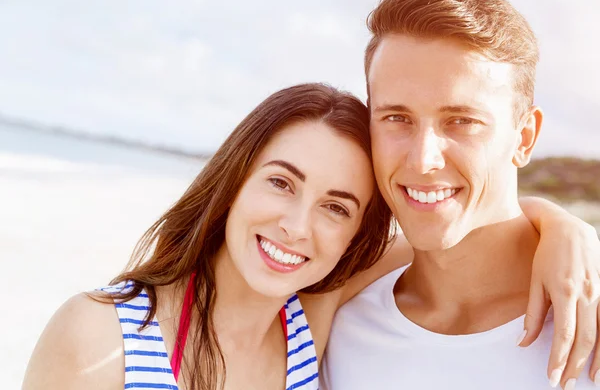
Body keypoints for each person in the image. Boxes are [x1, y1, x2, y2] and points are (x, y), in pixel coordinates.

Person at [22, 78, 598, 390]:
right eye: (281, 183)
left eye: (336, 208)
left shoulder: (309, 324)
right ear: (234, 179)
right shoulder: (101, 335)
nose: (297, 228)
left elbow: (468, 235)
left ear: (354, 239)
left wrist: (562, 227)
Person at [321, 0, 600, 390]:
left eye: (461, 121)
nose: (422, 160)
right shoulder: (339, 324)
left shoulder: (591, 320)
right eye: (397, 117)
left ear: (524, 137)